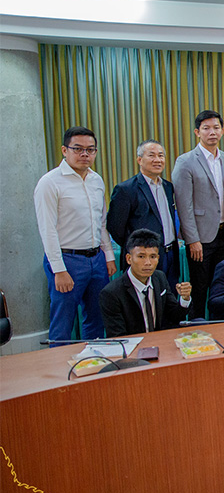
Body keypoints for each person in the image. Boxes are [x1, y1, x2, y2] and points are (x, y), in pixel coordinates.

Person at [34, 126, 117, 343]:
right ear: (64, 150)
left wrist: (108, 255)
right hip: (67, 260)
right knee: (63, 321)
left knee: (97, 317)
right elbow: (47, 230)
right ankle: (60, 372)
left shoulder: (96, 180)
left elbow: (101, 223)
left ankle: (94, 366)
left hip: (96, 259)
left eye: (90, 150)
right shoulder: (50, 182)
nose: (85, 154)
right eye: (78, 149)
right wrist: (58, 269)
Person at [172, 109, 224, 319]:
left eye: (216, 127)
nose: (212, 132)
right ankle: (197, 328)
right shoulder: (186, 161)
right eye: (206, 128)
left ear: (223, 131)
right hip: (201, 239)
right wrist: (193, 240)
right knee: (200, 288)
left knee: (223, 287)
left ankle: (221, 326)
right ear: (197, 132)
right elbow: (183, 205)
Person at [107, 139, 181, 288]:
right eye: (152, 155)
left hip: (170, 254)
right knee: (144, 303)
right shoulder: (126, 189)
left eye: (161, 156)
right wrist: (138, 249)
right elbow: (115, 227)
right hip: (143, 257)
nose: (157, 160)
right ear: (139, 160)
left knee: (168, 299)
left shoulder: (168, 187)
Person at [99, 229, 192, 337]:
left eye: (152, 257)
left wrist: (185, 299)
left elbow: (174, 316)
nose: (148, 263)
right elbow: (118, 336)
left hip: (161, 343)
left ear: (158, 258)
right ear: (129, 259)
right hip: (133, 348)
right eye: (141, 256)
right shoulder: (111, 293)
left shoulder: (159, 278)